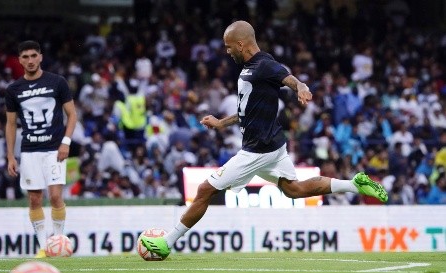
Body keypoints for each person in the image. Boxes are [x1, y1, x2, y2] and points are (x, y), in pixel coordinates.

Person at [140, 21, 388, 258]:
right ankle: (355, 184)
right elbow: (245, 111)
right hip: (273, 146)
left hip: (257, 151)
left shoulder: (264, 66)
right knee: (294, 189)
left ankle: (166, 242)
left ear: (240, 44)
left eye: (228, 46)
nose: (226, 52)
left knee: (205, 190)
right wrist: (220, 123)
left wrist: (300, 87)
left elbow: (288, 77)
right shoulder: (249, 68)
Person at [5, 40, 77, 258]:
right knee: (34, 199)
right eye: (25, 57)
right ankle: (44, 247)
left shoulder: (57, 82)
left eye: (33, 56)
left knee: (55, 196)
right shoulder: (13, 89)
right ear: (20, 60)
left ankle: (58, 242)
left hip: (54, 149)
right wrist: (10, 156)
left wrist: (66, 142)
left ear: (40, 57)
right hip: (29, 151)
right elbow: (10, 124)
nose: (30, 60)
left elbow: (72, 114)